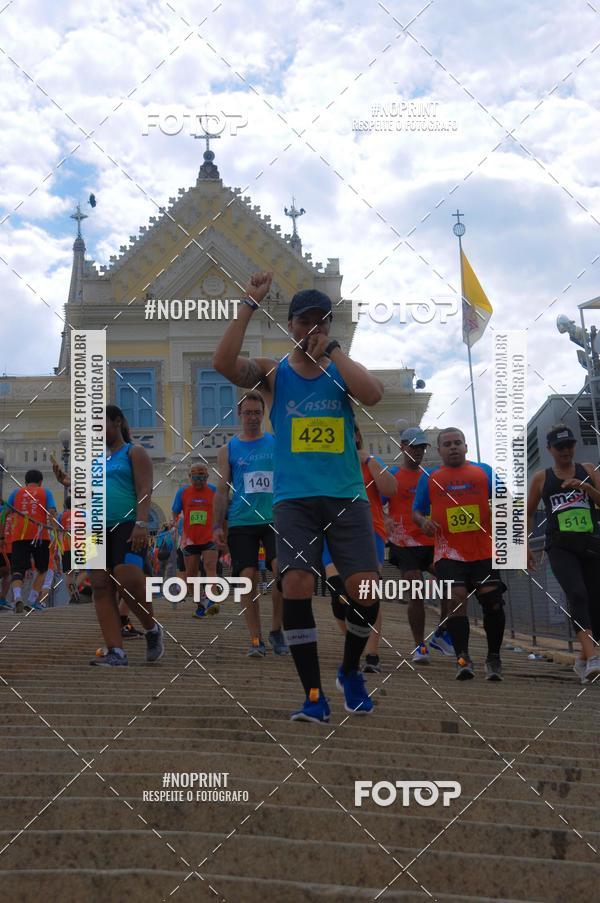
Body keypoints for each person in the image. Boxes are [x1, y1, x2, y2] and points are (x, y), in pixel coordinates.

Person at [214, 271, 384, 722]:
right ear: (290, 325)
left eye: (321, 321)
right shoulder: (274, 373)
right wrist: (248, 304)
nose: (312, 328)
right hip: (294, 500)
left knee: (365, 590)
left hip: (346, 496)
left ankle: (350, 671)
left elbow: (374, 395)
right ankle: (313, 695)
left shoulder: (340, 370)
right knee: (295, 584)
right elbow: (223, 364)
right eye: (304, 321)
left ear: (329, 326)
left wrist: (333, 351)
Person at [53, 405, 165, 666]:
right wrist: (68, 482)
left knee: (128, 578)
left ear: (117, 422)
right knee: (100, 585)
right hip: (97, 527)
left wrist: (141, 522)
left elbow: (145, 488)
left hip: (127, 524)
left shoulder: (134, 452)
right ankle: (116, 651)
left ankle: (151, 628)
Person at [412, 427, 506, 681]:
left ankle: (493, 658)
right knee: (456, 599)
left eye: (457, 442)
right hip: (448, 553)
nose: (453, 447)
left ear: (466, 446)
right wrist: (423, 522)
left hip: (483, 550)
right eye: (447, 444)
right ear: (439, 450)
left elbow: (507, 504)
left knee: (493, 602)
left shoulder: (484, 471)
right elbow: (417, 511)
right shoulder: (430, 477)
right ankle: (463, 659)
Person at [213, 392, 287, 657]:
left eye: (257, 413)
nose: (253, 418)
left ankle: (276, 629)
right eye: (248, 413)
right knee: (247, 579)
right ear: (240, 415)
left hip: (274, 518)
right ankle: (256, 639)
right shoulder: (228, 450)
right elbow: (222, 489)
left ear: (263, 414)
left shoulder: (276, 443)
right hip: (241, 521)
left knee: (282, 572)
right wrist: (217, 526)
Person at [527, 424, 600, 682]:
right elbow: (527, 513)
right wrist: (523, 546)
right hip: (560, 546)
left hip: (591, 544)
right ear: (549, 449)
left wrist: (587, 489)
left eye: (569, 445)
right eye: (559, 447)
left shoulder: (588, 470)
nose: (565, 450)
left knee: (595, 602)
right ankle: (594, 657)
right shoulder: (542, 478)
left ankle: (583, 660)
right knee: (577, 593)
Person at [325, 424, 396, 674]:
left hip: (368, 531)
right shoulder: (326, 462)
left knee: (368, 593)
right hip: (332, 532)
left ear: (357, 435)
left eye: (350, 431)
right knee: (339, 596)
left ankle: (371, 654)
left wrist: (370, 461)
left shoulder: (370, 462)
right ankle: (355, 643)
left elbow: (391, 489)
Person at [387, 427, 453, 664]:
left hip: (431, 541)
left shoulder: (431, 476)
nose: (418, 451)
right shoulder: (392, 475)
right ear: (403, 447)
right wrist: (384, 519)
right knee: (416, 590)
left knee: (452, 586)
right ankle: (419, 646)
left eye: (422, 447)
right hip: (403, 542)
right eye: (414, 446)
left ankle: (441, 633)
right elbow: (374, 501)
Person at [171, 463, 219, 618]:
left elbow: (221, 511)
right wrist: (177, 527)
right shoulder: (182, 492)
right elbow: (175, 512)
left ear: (207, 476)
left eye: (202, 474)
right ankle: (201, 604)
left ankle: (212, 599)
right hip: (190, 539)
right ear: (189, 476)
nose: (198, 478)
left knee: (210, 566)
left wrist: (220, 530)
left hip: (209, 536)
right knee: (191, 575)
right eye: (195, 475)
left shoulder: (214, 490)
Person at [6, 469, 58, 612]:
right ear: (41, 482)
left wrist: (2, 536)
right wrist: (55, 532)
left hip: (19, 536)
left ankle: (17, 597)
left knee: (18, 569)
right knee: (42, 569)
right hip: (40, 536)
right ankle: (31, 601)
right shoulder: (46, 492)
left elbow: (5, 513)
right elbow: (52, 512)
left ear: (25, 481)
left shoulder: (15, 493)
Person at [58, 496, 78, 605]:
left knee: (69, 574)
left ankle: (72, 596)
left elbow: (58, 531)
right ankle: (76, 589)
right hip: (79, 545)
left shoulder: (61, 516)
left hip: (66, 547)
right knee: (85, 571)